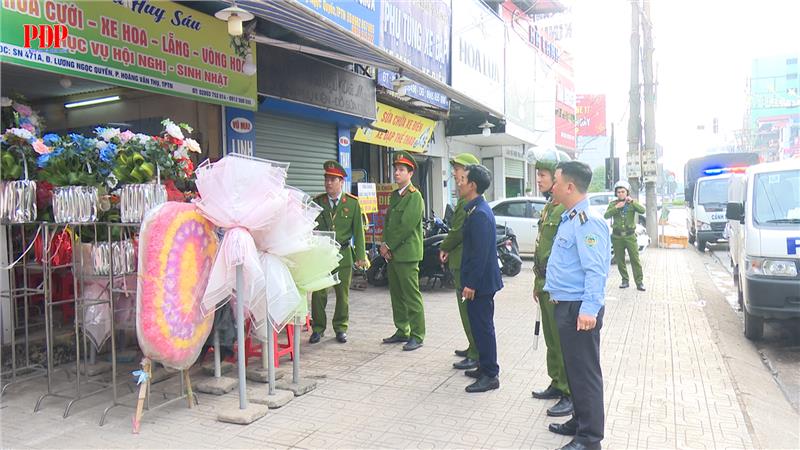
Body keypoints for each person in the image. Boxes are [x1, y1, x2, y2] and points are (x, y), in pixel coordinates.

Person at [545, 160, 611, 450]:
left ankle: (589, 438)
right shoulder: (569, 217)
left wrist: (589, 309)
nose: (552, 187)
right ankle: (579, 420)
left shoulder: (588, 221)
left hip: (578, 309)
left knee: (585, 373)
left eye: (556, 182)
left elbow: (596, 269)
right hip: (566, 305)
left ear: (569, 186)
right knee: (574, 370)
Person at [531, 159, 573, 418]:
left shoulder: (565, 211)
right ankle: (556, 382)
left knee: (561, 340)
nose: (540, 179)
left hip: (557, 285)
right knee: (550, 337)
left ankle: (569, 392)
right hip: (544, 282)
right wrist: (536, 283)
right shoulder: (549, 207)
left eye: (544, 175)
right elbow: (540, 247)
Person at [310, 161, 367, 344]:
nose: (328, 183)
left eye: (333, 179)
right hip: (322, 255)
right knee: (319, 293)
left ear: (341, 182)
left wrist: (361, 256)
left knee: (342, 294)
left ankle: (341, 327)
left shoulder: (352, 203)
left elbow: (358, 231)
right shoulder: (318, 202)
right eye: (326, 179)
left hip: (343, 254)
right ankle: (318, 328)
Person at [459, 164, 503, 393]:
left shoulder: (481, 214)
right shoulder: (475, 209)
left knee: (484, 327)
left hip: (481, 284)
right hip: (479, 281)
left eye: (463, 178)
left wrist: (471, 284)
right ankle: (483, 365)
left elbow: (481, 254)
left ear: (473, 185)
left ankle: (491, 374)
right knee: (478, 326)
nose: (459, 182)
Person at [439, 152, 481, 370]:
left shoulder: (470, 202)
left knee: (468, 310)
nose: (455, 172)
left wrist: (444, 246)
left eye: (458, 168)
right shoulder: (464, 199)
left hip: (463, 261)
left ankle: (475, 351)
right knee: (466, 311)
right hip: (459, 259)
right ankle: (472, 346)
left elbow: (458, 232)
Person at [380, 151, 426, 351]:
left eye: (401, 170)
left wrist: (388, 245)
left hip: (407, 254)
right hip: (393, 254)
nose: (397, 173)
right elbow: (389, 224)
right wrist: (384, 244)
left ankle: (417, 334)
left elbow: (406, 226)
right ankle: (402, 330)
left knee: (411, 295)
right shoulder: (394, 196)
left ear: (410, 173)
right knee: (397, 295)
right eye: (395, 169)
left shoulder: (414, 197)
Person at [604, 180, 646, 291]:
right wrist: (616, 207)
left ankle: (639, 282)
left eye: (623, 192)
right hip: (617, 236)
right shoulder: (613, 204)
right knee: (620, 259)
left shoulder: (632, 203)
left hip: (630, 236)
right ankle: (625, 280)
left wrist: (632, 202)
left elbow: (642, 210)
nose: (621, 194)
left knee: (635, 259)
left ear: (627, 192)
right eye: (618, 192)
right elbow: (606, 215)